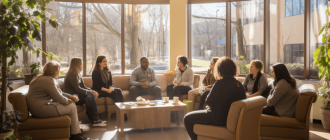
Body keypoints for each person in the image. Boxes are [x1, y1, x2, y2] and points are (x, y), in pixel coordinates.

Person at [184, 57, 246, 140]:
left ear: (220, 70)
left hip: (218, 118)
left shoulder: (219, 83)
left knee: (187, 118)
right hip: (232, 120)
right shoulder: (238, 84)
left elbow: (209, 102)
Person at [26, 61, 89, 140]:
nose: (59, 72)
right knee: (72, 107)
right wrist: (69, 101)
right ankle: (75, 135)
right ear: (55, 71)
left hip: (38, 108)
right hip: (41, 109)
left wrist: (71, 96)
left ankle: (75, 130)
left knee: (71, 105)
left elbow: (59, 93)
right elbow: (59, 98)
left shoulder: (41, 77)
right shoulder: (48, 80)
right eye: (59, 70)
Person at [64, 57, 106, 127]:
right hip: (72, 95)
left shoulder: (78, 73)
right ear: (76, 65)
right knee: (90, 96)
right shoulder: (72, 74)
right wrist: (90, 92)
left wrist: (92, 91)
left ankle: (93, 118)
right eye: (81, 64)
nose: (82, 66)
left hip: (78, 94)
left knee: (90, 95)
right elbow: (77, 89)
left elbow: (83, 86)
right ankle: (95, 119)